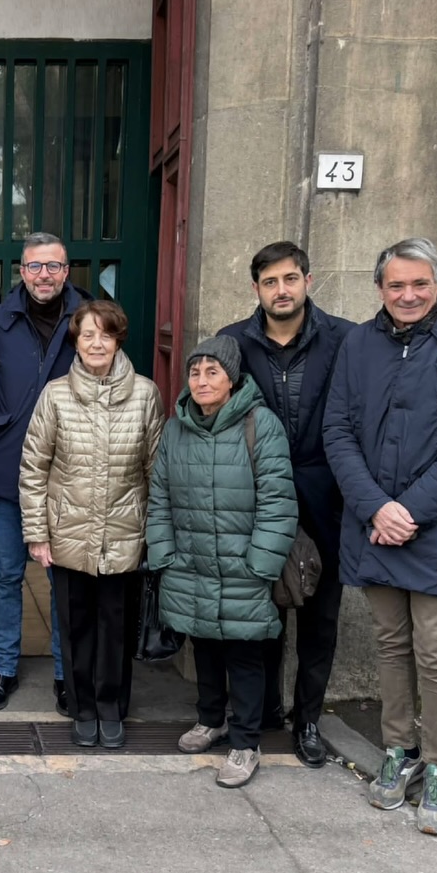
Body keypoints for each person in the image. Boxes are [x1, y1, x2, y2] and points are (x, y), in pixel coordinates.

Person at [323, 237, 437, 837]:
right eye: (396, 285)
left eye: (420, 283)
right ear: (379, 289)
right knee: (390, 645)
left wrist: (410, 510)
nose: (408, 295)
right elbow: (338, 431)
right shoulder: (358, 343)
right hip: (374, 523)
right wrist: (376, 506)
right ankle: (399, 749)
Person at [219, 241, 354, 767]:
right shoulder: (234, 343)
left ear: (308, 280)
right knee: (262, 612)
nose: (281, 290)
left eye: (290, 279)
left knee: (321, 618)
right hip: (257, 499)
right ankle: (264, 710)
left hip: (328, 498)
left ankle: (309, 720)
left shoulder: (346, 340)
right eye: (270, 281)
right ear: (256, 288)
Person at [147, 336, 297, 788]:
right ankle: (209, 720)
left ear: (232, 379)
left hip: (243, 567)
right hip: (190, 563)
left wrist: (260, 565)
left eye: (213, 371)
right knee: (205, 648)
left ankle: (246, 741)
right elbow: (160, 497)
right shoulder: (177, 427)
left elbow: (278, 501)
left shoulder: (260, 424)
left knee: (246, 655)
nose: (202, 380)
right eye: (195, 372)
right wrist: (164, 554)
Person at [21, 300, 163, 748]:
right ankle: (83, 709)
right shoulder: (56, 394)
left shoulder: (145, 393)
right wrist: (37, 533)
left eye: (105, 334)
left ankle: (112, 708)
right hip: (69, 534)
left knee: (116, 627)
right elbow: (33, 468)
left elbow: (156, 470)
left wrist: (154, 534)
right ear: (76, 343)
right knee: (76, 625)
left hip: (124, 534)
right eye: (87, 335)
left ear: (118, 338)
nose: (96, 343)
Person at [0, 232, 85, 712]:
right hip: (6, 465)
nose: (44, 275)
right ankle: (4, 669)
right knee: (7, 573)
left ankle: (65, 674)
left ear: (66, 270)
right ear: (22, 271)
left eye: (54, 267)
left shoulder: (89, 318)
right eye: (35, 266)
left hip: (69, 469)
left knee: (62, 578)